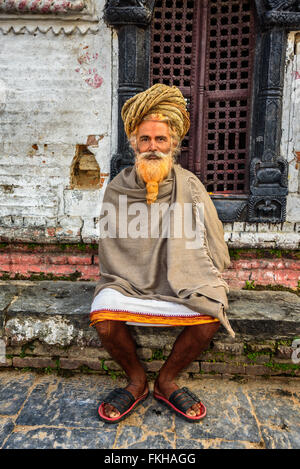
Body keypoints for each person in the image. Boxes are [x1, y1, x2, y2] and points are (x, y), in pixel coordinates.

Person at [90, 84, 235, 424]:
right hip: (127, 279)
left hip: (182, 276)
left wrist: (203, 272)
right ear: (134, 144)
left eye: (160, 139)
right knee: (104, 317)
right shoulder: (117, 188)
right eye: (145, 140)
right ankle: (138, 381)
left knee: (211, 313)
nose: (152, 147)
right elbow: (113, 249)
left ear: (174, 144)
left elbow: (211, 239)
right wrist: (130, 278)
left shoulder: (191, 186)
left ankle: (166, 381)